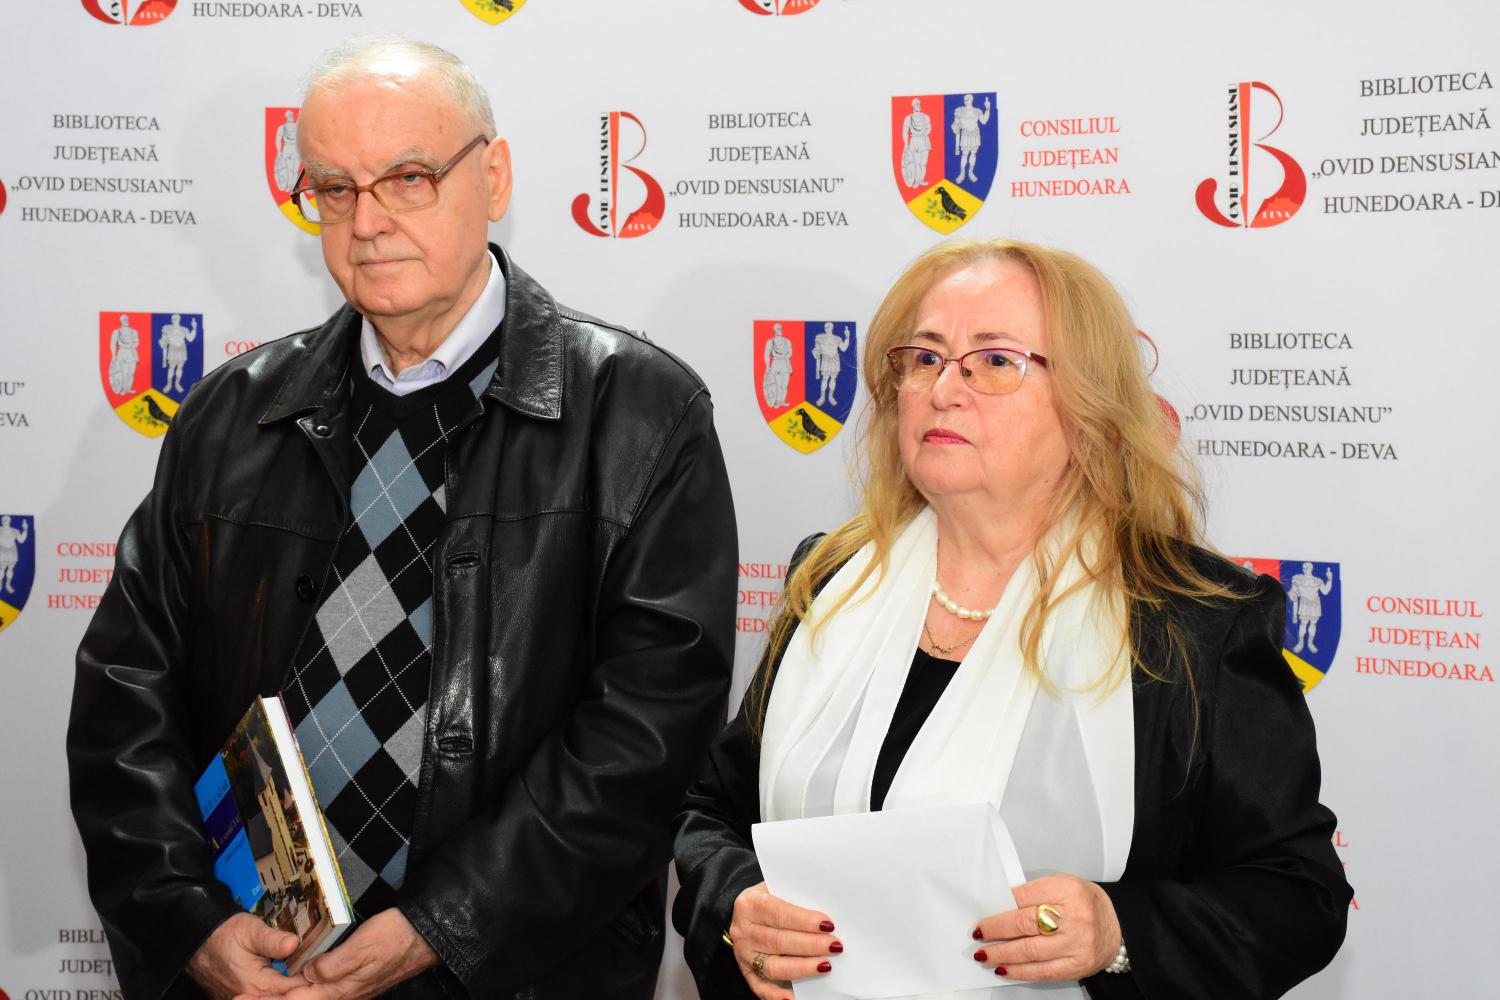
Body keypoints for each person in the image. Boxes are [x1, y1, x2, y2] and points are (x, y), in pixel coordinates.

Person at [67, 37, 737, 1000]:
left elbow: (646, 739)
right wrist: (188, 919)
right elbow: (124, 697)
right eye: (335, 189)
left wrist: (442, 929)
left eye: (409, 178)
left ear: (493, 177)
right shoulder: (231, 414)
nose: (368, 221)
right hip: (260, 973)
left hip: (512, 975)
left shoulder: (641, 415)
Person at [672, 239, 1350, 1000]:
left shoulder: (1192, 621)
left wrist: (1120, 930)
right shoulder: (830, 580)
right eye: (924, 358)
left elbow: (1299, 893)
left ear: (1089, 406)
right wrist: (738, 906)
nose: (943, 389)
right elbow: (714, 811)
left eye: (995, 361)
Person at [951, 93, 991, 184]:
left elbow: (984, 121)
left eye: (967, 100)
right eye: (965, 100)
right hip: (965, 134)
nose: (966, 101)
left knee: (973, 154)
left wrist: (988, 109)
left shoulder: (977, 111)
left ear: (971, 100)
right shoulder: (959, 111)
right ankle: (962, 173)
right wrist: (955, 127)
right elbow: (955, 123)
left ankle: (971, 172)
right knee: (964, 154)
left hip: (975, 135)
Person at [900, 98, 933, 188]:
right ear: (913, 106)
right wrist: (905, 144)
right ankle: (916, 181)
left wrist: (924, 133)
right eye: (916, 104)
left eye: (919, 103)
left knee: (923, 164)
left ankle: (921, 180)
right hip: (914, 141)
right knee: (916, 164)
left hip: (924, 141)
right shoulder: (909, 118)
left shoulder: (926, 117)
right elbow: (904, 131)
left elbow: (929, 128)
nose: (918, 105)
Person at [107, 314, 140, 395]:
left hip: (132, 353)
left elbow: (137, 342)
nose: (126, 321)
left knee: (131, 373)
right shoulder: (117, 332)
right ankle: (124, 389)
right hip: (122, 352)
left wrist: (132, 346)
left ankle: (129, 388)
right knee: (124, 373)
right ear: (121, 321)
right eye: (124, 319)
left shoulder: (134, 331)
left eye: (126, 319)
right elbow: (112, 343)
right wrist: (113, 355)